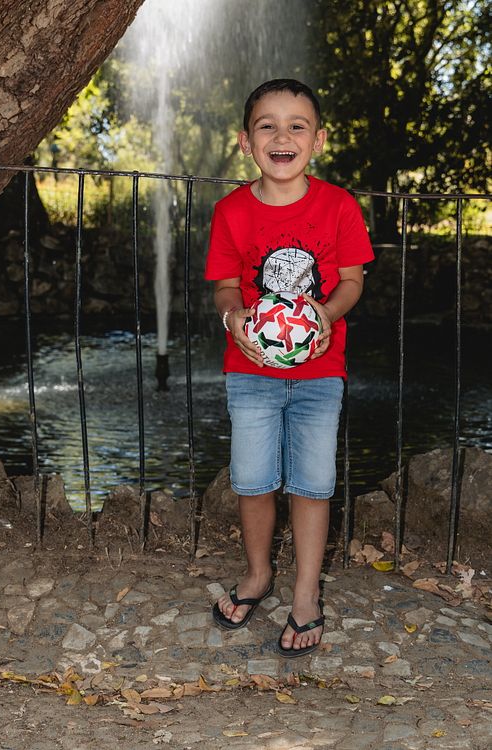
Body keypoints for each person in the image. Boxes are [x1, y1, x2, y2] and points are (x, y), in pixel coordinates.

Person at [204, 79, 374, 657]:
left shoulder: (339, 206)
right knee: (252, 480)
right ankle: (257, 575)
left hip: (321, 373)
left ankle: (306, 593)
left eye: (297, 126)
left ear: (318, 140)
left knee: (313, 484)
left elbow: (351, 280)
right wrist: (234, 321)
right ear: (245, 141)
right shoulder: (230, 212)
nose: (282, 136)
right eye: (267, 126)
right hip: (250, 370)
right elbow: (226, 288)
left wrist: (325, 313)